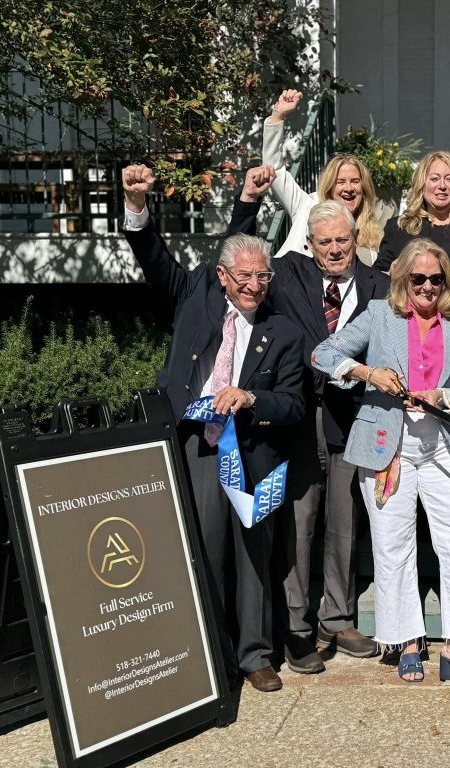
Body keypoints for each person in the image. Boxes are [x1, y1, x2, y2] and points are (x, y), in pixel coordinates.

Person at [120, 164, 306, 694]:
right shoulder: (195, 296)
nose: (253, 285)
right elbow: (153, 257)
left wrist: (251, 398)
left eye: (262, 277)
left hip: (254, 452)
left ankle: (255, 654)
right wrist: (137, 206)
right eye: (243, 276)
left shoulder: (284, 332)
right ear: (222, 277)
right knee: (204, 549)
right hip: (197, 447)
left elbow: (294, 405)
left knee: (254, 556)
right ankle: (211, 654)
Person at [311, 239, 450, 688]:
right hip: (387, 445)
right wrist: (368, 373)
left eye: (436, 279)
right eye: (418, 278)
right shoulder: (379, 316)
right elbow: (322, 355)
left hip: (442, 444)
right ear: (403, 280)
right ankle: (406, 641)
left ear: (446, 283)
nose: (427, 286)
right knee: (393, 545)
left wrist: (444, 396)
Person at [228, 176, 389, 673]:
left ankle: (337, 618)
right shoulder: (287, 276)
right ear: (310, 245)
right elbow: (240, 259)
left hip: (352, 418)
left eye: (342, 240)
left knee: (344, 521)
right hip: (296, 418)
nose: (335, 249)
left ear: (356, 238)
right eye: (325, 242)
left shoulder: (380, 286)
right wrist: (248, 200)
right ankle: (296, 628)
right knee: (298, 522)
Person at [258, 90, 386, 264]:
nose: (349, 188)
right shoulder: (306, 206)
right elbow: (274, 170)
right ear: (329, 186)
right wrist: (277, 116)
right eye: (341, 182)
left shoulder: (373, 232)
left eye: (355, 181)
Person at [374, 150, 450, 273]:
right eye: (434, 179)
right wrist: (391, 272)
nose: (442, 186)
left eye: (449, 179)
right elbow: (376, 275)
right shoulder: (398, 228)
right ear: (422, 184)